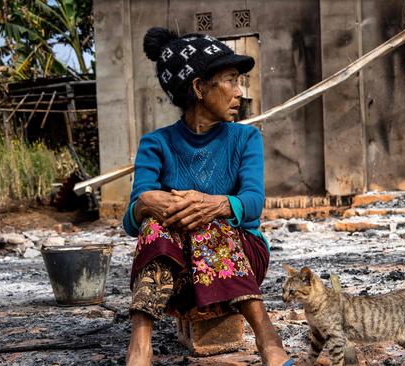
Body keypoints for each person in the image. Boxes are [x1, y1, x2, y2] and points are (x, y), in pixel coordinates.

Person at [122, 27, 292, 366]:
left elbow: (254, 203)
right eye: (230, 80)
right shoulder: (156, 144)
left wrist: (214, 204)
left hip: (241, 260)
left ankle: (266, 334)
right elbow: (130, 221)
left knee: (206, 220)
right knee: (156, 222)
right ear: (199, 88)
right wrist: (146, 204)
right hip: (177, 272)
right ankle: (140, 342)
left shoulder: (245, 139)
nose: (239, 93)